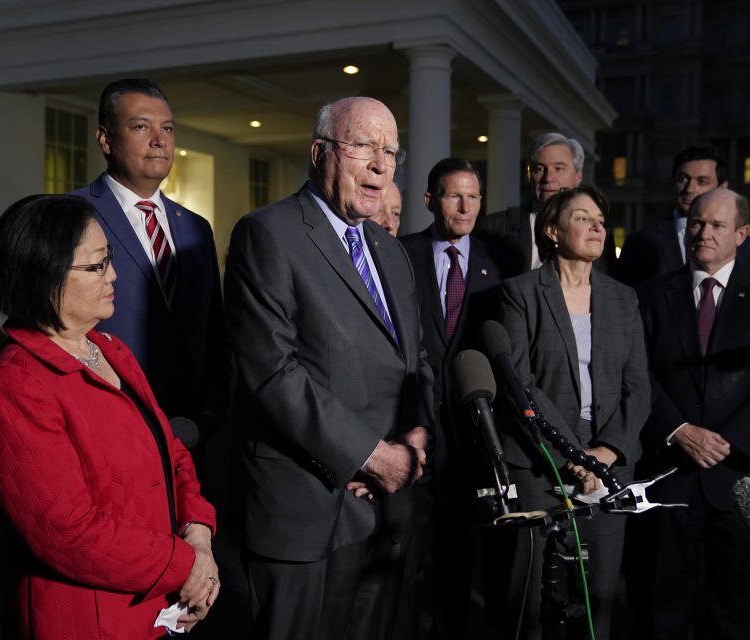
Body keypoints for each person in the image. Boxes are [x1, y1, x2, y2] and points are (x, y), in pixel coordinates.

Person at [223, 96, 435, 640]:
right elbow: (273, 373)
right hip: (305, 509)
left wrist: (417, 432)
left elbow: (417, 360)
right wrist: (370, 456)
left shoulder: (391, 253)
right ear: (320, 153)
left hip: (387, 509)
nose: (381, 164)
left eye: (390, 151)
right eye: (363, 146)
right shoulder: (266, 234)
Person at [0, 194, 219, 639]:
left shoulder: (109, 350)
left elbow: (173, 454)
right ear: (43, 277)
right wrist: (186, 565)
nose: (114, 276)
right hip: (87, 620)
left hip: (158, 606)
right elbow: (68, 534)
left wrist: (198, 534)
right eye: (97, 266)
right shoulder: (14, 385)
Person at [632, 187, 750, 639]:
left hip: (741, 480)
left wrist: (724, 445)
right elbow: (637, 375)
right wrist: (680, 430)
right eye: (696, 223)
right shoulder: (649, 296)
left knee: (736, 615)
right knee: (662, 610)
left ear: (741, 235)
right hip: (670, 475)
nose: (703, 233)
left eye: (717, 225)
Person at [495, 185, 650, 640]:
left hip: (610, 462)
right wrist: (575, 456)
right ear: (552, 231)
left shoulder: (623, 298)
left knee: (596, 592)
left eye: (601, 218)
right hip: (539, 456)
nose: (597, 224)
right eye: (583, 217)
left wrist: (606, 452)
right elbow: (519, 383)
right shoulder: (519, 293)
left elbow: (639, 387)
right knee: (530, 598)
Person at [71, 78, 229, 446]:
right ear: (106, 140)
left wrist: (213, 415)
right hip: (109, 431)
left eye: (168, 128)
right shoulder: (71, 215)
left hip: (193, 435)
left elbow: (214, 332)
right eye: (142, 127)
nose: (160, 140)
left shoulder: (195, 228)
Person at [397, 157, 515, 637]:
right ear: (429, 200)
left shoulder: (500, 261)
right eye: (453, 195)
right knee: (408, 552)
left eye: (473, 196)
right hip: (412, 425)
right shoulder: (398, 254)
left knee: (464, 554)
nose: (465, 206)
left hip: (474, 432)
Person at [616, 145, 750, 286]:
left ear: (722, 187)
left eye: (702, 181)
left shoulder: (746, 246)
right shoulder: (640, 241)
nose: (689, 189)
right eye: (683, 179)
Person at [475, 132, 584, 274]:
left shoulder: (598, 234)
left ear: (578, 176)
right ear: (529, 175)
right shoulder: (494, 227)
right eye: (539, 169)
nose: (548, 178)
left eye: (559, 168)